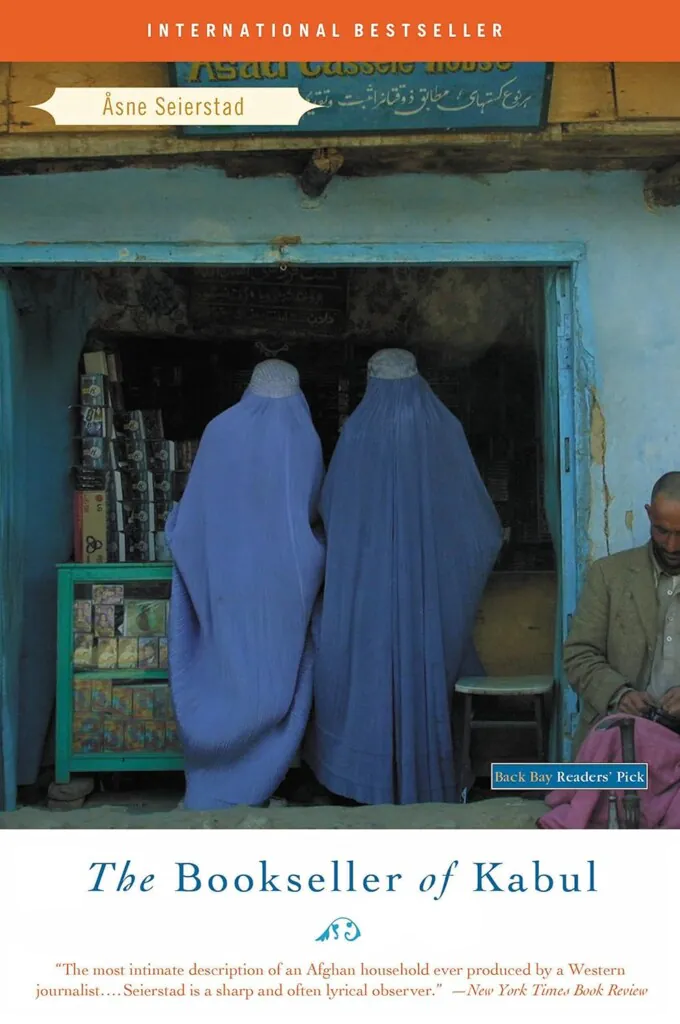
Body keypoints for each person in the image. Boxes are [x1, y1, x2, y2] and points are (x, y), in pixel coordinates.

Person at [304, 348, 503, 806]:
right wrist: (440, 575)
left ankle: (363, 782)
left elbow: (333, 512)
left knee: (367, 680)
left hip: (368, 600)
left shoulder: (358, 433)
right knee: (429, 681)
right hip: (430, 605)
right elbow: (480, 528)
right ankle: (432, 781)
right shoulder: (444, 430)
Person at [165, 359, 325, 811]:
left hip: (226, 582)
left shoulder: (221, 430)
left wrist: (178, 529)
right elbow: (309, 514)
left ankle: (219, 768)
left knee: (230, 665)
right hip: (283, 587)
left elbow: (196, 514)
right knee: (275, 674)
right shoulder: (304, 437)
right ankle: (265, 773)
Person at [564, 471, 680, 753]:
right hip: (620, 740)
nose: (672, 546)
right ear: (648, 514)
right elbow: (578, 655)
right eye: (661, 530)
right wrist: (618, 693)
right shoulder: (609, 575)